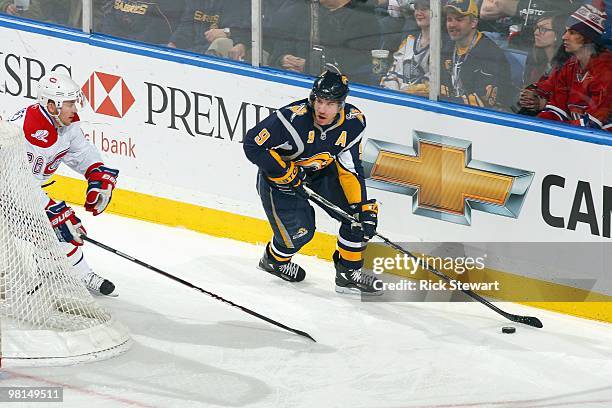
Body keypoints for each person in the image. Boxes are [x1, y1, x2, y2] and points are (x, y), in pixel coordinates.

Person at [243, 71, 382, 295]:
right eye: (319, 100)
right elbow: (252, 144)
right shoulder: (292, 119)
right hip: (280, 182)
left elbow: (350, 167)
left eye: (330, 103)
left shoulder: (354, 122)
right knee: (301, 233)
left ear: (342, 105)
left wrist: (360, 205)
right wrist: (283, 171)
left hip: (321, 173)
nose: (322, 109)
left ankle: (347, 273)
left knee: (358, 217)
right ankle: (274, 261)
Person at [8, 73, 119, 296]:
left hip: (24, 191)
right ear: (51, 105)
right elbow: (14, 180)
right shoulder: (22, 131)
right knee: (57, 228)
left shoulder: (66, 125)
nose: (75, 108)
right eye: (69, 103)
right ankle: (73, 274)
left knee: (58, 231)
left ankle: (67, 271)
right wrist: (49, 209)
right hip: (7, 191)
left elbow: (82, 151)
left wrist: (97, 174)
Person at [538, 5, 611, 130]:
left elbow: (594, 123)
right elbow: (557, 110)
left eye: (572, 33)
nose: (564, 37)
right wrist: (537, 125)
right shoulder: (569, 66)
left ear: (588, 38)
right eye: (566, 31)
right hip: (577, 133)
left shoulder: (606, 71)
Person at [440, 0, 513, 111]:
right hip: (451, 110)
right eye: (449, 19)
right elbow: (438, 84)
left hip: (486, 118)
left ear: (474, 22)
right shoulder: (447, 47)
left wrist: (446, 101)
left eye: (459, 19)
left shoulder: (490, 53)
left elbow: (484, 100)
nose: (452, 24)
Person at [517, 13, 570, 114]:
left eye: (543, 29)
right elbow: (527, 86)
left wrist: (544, 104)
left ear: (557, 35)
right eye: (536, 28)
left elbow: (568, 103)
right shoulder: (533, 58)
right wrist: (525, 96)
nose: (536, 32)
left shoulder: (567, 66)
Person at [380, 0, 431, 96]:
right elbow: (391, 74)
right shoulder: (409, 41)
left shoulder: (440, 47)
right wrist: (395, 94)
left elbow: (433, 86)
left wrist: (405, 93)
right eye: (416, 9)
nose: (419, 13)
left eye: (424, 9)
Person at [100, 0, 184, 45]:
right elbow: (107, 18)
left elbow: (157, 32)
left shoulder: (167, 4)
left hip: (149, 53)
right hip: (111, 46)